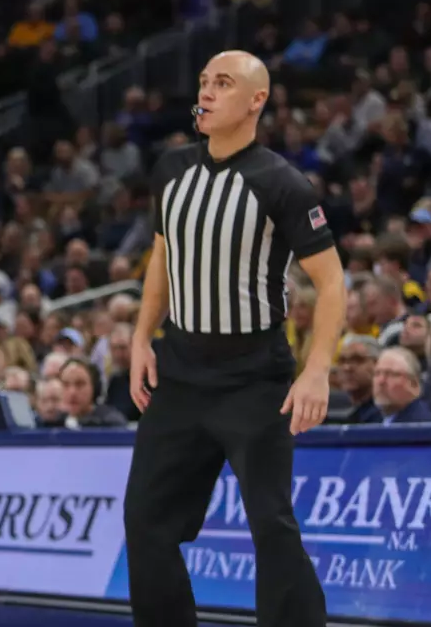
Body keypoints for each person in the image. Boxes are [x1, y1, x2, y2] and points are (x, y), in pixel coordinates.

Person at [126, 51, 343, 627]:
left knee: (270, 523)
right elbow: (163, 255)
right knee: (145, 520)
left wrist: (316, 368)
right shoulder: (171, 170)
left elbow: (332, 283)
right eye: (202, 82)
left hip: (253, 377)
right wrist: (140, 338)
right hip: (178, 372)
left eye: (222, 83)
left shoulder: (282, 183)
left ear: (256, 100)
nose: (206, 92)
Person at [366, 348, 431, 424]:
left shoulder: (419, 425)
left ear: (414, 384)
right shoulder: (372, 417)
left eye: (390, 374)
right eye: (377, 373)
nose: (381, 381)